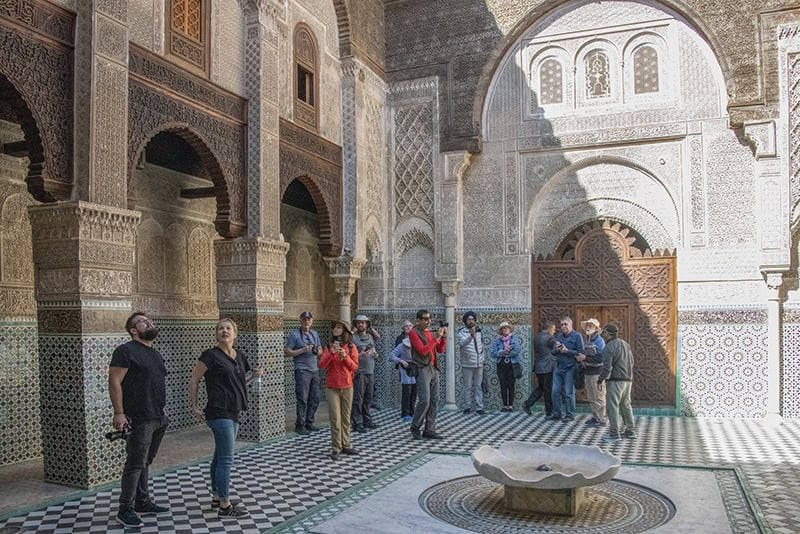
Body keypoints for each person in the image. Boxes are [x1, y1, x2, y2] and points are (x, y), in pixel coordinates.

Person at [189, 318, 262, 519]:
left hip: (234, 410)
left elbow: (240, 381)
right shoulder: (210, 355)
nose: (224, 331)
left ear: (235, 334)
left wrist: (254, 375)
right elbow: (194, 379)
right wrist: (194, 406)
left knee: (219, 456)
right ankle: (224, 504)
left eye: (228, 328)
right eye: (220, 328)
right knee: (226, 459)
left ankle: (216, 495)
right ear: (216, 334)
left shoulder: (240, 356)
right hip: (218, 411)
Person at [108, 312, 170, 528]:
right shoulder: (125, 351)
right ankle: (125, 508)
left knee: (145, 461)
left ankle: (142, 501)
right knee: (135, 463)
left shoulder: (154, 353)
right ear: (133, 330)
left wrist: (163, 412)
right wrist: (119, 412)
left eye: (150, 321)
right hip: (139, 416)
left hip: (158, 416)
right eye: (143, 322)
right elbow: (114, 381)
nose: (149, 323)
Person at [319, 320, 360, 460]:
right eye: (334, 327)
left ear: (345, 331)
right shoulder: (328, 346)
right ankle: (336, 447)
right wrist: (331, 353)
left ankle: (346, 444)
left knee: (346, 417)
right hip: (332, 387)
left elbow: (354, 367)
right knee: (335, 417)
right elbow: (321, 365)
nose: (335, 330)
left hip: (347, 386)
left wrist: (345, 357)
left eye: (338, 327)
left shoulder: (351, 347)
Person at [408, 309, 447, 439]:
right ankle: (415, 426)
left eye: (429, 318)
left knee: (434, 400)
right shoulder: (414, 333)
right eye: (425, 319)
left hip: (434, 368)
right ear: (418, 320)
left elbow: (440, 350)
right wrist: (437, 338)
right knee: (424, 400)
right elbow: (423, 351)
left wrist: (443, 338)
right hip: (422, 368)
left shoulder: (429, 333)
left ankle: (429, 429)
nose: (428, 321)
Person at [284, 311, 322, 435]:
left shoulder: (315, 334)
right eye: (304, 319)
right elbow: (288, 352)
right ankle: (300, 424)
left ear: (312, 321)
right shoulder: (294, 335)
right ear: (300, 320)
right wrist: (303, 350)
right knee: (302, 399)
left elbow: (320, 350)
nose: (307, 322)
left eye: (309, 319)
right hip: (302, 370)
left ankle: (309, 422)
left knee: (315, 397)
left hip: (314, 370)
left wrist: (317, 351)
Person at [597, 323, 636, 443]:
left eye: (604, 333)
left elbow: (607, 367)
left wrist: (601, 380)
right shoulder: (625, 344)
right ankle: (630, 431)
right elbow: (632, 361)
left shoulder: (609, 346)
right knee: (626, 405)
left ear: (608, 334)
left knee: (612, 407)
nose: (603, 335)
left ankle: (614, 434)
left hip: (615, 381)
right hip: (627, 380)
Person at [551, 316, 585, 422]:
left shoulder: (577, 336)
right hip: (559, 367)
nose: (563, 326)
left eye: (566, 324)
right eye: (561, 324)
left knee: (569, 392)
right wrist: (556, 349)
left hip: (570, 367)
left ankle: (570, 414)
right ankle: (556, 414)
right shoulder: (559, 336)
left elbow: (581, 353)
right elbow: (553, 352)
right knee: (555, 391)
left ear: (571, 325)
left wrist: (567, 351)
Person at [523, 320, 556, 417]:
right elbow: (556, 345)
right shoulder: (548, 338)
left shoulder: (537, 337)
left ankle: (528, 404)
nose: (554, 332)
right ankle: (549, 412)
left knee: (541, 388)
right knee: (547, 389)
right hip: (547, 368)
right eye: (553, 329)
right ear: (549, 328)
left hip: (538, 367)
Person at [351, 314, 378, 432]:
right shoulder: (353, 338)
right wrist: (359, 354)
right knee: (358, 398)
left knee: (368, 398)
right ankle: (357, 423)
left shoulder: (370, 337)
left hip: (370, 371)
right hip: (359, 373)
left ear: (367, 324)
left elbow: (373, 349)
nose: (360, 324)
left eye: (363, 322)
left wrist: (375, 354)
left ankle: (367, 420)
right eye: (358, 323)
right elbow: (349, 353)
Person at [457, 311, 486, 415]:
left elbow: (481, 346)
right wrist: (471, 336)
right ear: (465, 321)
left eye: (472, 319)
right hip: (467, 364)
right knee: (467, 386)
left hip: (479, 364)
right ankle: (467, 407)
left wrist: (483, 360)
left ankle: (479, 407)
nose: (471, 321)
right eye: (469, 319)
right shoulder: (461, 332)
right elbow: (463, 344)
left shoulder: (479, 331)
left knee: (478, 386)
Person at [490, 321, 522, 412]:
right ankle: (505, 405)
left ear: (509, 329)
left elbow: (516, 351)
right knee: (503, 385)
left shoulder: (514, 339)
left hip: (512, 365)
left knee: (511, 385)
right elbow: (493, 353)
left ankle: (510, 405)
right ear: (501, 331)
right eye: (503, 328)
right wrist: (502, 352)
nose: (505, 329)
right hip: (501, 365)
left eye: (507, 328)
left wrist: (505, 353)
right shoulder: (497, 341)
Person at [581, 318, 606, 428]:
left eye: (590, 326)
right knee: (591, 396)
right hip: (588, 372)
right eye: (587, 325)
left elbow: (601, 358)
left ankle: (601, 418)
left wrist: (585, 357)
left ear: (596, 328)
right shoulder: (587, 340)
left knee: (598, 396)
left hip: (597, 373)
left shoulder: (600, 341)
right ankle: (595, 416)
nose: (588, 327)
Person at [388, 336, 417, 421]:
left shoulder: (417, 344)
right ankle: (405, 413)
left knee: (414, 393)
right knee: (407, 393)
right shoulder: (402, 346)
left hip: (415, 370)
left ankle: (412, 412)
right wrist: (401, 361)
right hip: (405, 371)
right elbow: (391, 355)